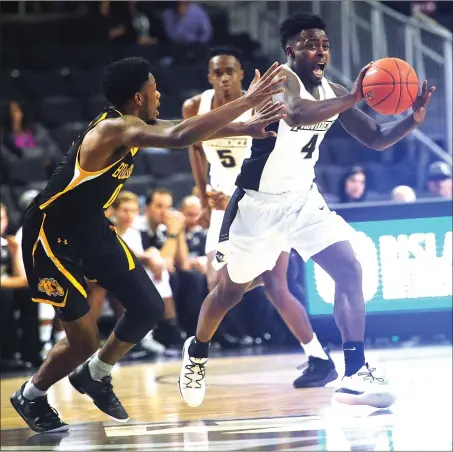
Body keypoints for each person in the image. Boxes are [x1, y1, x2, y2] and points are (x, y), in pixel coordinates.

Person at [10, 56, 286, 434]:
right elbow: (180, 137)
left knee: (148, 307)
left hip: (89, 226)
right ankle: (32, 393)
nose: (161, 93)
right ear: (138, 97)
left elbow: (184, 127)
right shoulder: (113, 129)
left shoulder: (135, 124)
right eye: (155, 87)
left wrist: (245, 127)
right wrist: (245, 100)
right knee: (84, 340)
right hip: (50, 234)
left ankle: (96, 374)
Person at [178, 13, 435, 409]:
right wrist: (352, 97)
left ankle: (354, 373)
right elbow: (296, 114)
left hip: (303, 201)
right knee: (230, 291)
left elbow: (375, 137)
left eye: (325, 45)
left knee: (349, 269)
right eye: (311, 44)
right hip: (258, 206)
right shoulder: (281, 80)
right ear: (291, 50)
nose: (320, 51)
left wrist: (411, 120)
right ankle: (197, 352)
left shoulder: (331, 89)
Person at [183, 46, 338, 388]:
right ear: (210, 77)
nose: (224, 77)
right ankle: (318, 357)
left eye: (230, 71)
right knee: (218, 284)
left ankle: (318, 358)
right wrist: (203, 198)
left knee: (274, 285)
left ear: (241, 74)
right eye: (217, 72)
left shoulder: (264, 101)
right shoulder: (195, 106)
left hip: (258, 201)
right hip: (225, 208)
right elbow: (195, 149)